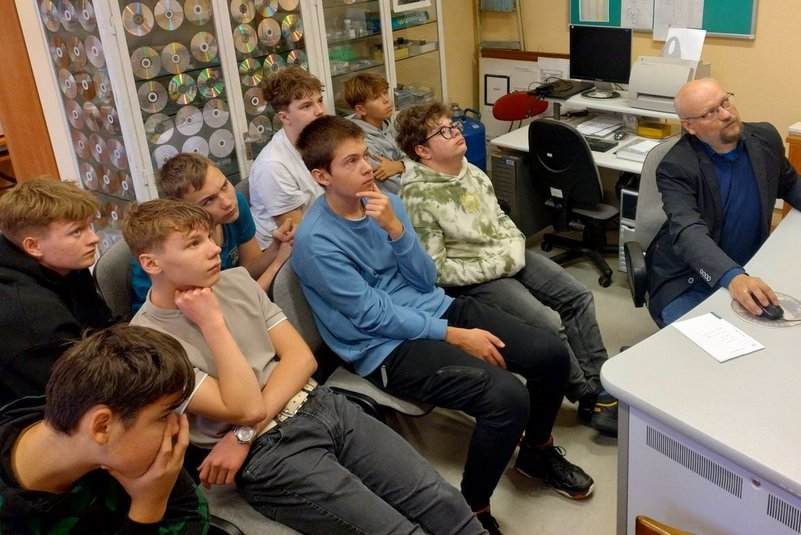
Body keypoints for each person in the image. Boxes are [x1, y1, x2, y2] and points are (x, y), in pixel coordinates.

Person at [292, 115, 595, 535]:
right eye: (351, 162)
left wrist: (397, 231)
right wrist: (453, 335)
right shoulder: (316, 242)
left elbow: (423, 278)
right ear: (321, 175)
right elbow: (371, 316)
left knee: (550, 353)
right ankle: (472, 508)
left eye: (365, 155)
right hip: (383, 347)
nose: (367, 167)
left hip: (434, 307)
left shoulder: (384, 203)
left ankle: (536, 453)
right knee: (507, 397)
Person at [124, 198, 484, 535]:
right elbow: (241, 406)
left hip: (313, 406)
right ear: (151, 264)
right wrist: (212, 323)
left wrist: (242, 433)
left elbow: (301, 360)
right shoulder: (147, 343)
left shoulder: (234, 281)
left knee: (443, 500)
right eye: (192, 244)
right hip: (269, 454)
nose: (214, 248)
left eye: (208, 237)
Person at [394, 102, 618, 436]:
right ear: (422, 150)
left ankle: (603, 385)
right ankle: (585, 396)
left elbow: (501, 219)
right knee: (547, 322)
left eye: (451, 124)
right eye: (442, 131)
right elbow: (436, 270)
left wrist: (514, 247)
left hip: (506, 256)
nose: (455, 131)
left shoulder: (471, 172)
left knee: (578, 296)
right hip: (474, 278)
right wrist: (497, 265)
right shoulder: (418, 198)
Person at [646, 78, 801, 326]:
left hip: (752, 264)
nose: (726, 114)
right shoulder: (676, 167)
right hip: (692, 277)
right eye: (711, 112)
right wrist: (733, 278)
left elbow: (788, 181)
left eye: (725, 102)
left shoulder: (764, 138)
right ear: (690, 126)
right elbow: (688, 232)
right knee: (710, 351)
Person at [0, 324, 208, 533]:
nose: (177, 428)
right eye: (164, 416)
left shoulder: (111, 441)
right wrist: (148, 507)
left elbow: (193, 514)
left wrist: (153, 498)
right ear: (102, 426)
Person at [129, 152, 294, 313]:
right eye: (208, 201)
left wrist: (275, 249)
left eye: (224, 186)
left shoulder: (235, 208)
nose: (227, 202)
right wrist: (276, 264)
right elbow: (228, 309)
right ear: (184, 209)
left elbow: (247, 270)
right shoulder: (168, 251)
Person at [0, 179, 115, 407]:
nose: (94, 238)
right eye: (76, 232)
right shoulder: (29, 313)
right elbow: (83, 389)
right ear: (33, 246)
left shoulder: (65, 265)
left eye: (89, 226)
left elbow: (101, 326)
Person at [249, 66, 326, 249]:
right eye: (307, 106)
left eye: (320, 101)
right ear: (284, 117)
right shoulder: (272, 166)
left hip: (323, 229)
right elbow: (299, 235)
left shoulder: (320, 142)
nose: (320, 111)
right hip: (285, 254)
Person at [345, 72, 406, 194]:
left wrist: (401, 166)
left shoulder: (387, 124)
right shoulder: (363, 143)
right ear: (361, 109)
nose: (386, 100)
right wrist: (410, 166)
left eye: (384, 92)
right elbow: (398, 188)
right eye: (376, 97)